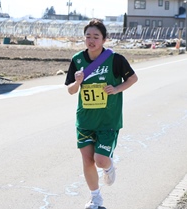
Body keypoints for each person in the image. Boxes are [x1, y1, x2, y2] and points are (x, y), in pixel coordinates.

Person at [65, 19, 138, 209]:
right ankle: (95, 198)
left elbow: (133, 78)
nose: (91, 40)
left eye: (96, 36)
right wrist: (78, 82)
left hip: (108, 120)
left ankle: (109, 166)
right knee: (87, 160)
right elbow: (71, 90)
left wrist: (117, 88)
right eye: (88, 36)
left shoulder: (115, 59)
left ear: (104, 39)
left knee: (100, 159)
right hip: (85, 120)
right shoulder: (78, 60)